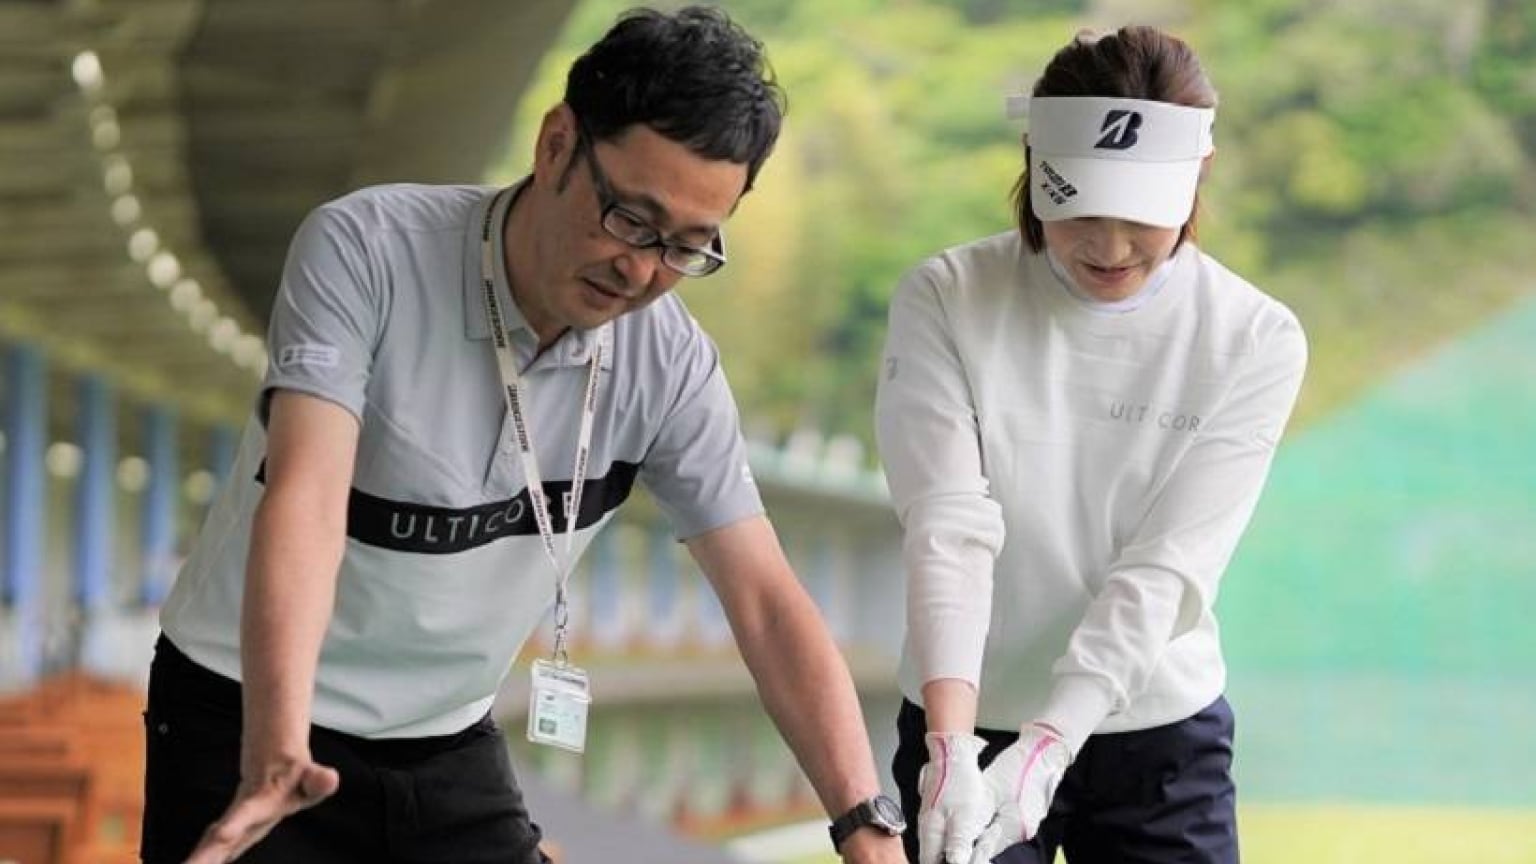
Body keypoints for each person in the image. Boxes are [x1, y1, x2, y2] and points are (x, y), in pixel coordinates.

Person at [143, 7, 906, 864]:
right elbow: (309, 495)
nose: (641, 269)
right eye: (630, 218)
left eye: (687, 247)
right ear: (555, 145)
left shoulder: (670, 362)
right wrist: (277, 744)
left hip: (444, 736)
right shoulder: (366, 250)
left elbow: (764, 600)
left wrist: (865, 822)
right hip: (245, 714)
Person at [874, 25, 1308, 864]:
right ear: (1034, 163)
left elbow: (1166, 569)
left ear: (1199, 174)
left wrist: (1050, 744)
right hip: (965, 715)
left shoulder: (1254, 337)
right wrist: (950, 748)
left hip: (1157, 730)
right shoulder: (948, 296)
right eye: (1079, 207)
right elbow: (948, 527)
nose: (1109, 248)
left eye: (1142, 216)